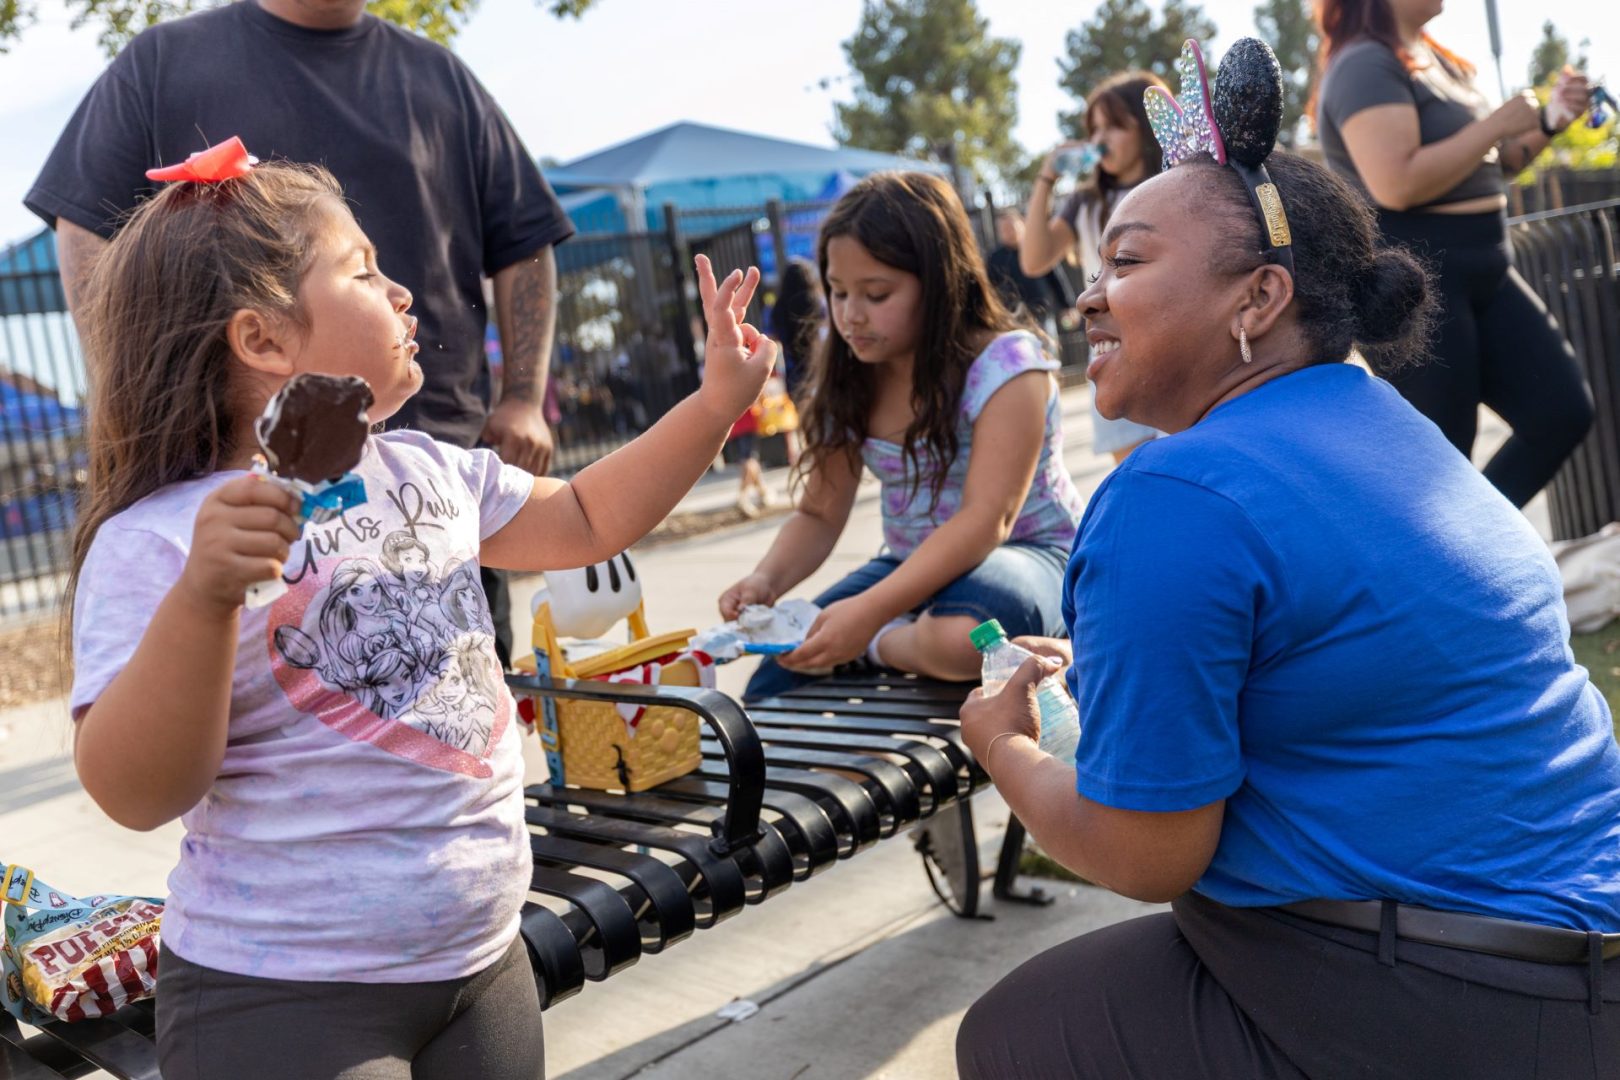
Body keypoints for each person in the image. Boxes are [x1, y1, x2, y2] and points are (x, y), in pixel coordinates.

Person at [954, 39, 1620, 1078]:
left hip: (1467, 995)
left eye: (1126, 262)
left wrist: (1004, 748)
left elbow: (1145, 852)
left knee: (1014, 1039)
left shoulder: (1171, 495)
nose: (1087, 297)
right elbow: (1348, 657)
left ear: (1257, 301)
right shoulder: (1384, 423)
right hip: (1578, 954)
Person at [64, 153, 775, 1079]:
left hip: (483, 965)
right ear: (264, 340)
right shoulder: (159, 542)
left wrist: (716, 403)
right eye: (362, 270)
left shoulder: (426, 471)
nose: (402, 292)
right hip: (286, 996)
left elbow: (589, 518)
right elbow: (135, 790)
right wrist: (203, 598)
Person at [25, 0, 574, 668]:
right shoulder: (161, 63)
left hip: (436, 477)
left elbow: (524, 239)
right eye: (363, 272)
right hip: (239, 505)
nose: (392, 292)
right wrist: (137, 390)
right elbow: (85, 228)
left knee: (457, 725)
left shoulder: (440, 77)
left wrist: (523, 396)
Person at [721, 172, 1086, 701]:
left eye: (876, 293)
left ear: (939, 282)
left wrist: (869, 621)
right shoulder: (850, 372)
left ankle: (883, 646)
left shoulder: (1008, 367)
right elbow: (820, 513)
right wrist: (766, 581)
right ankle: (891, 643)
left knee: (968, 640)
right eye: (839, 292)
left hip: (1031, 554)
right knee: (778, 679)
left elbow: (988, 521)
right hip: (912, 567)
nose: (851, 315)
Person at [1315, 0, 1594, 508]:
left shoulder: (1436, 60)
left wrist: (1549, 122)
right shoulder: (1364, 63)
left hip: (1487, 266)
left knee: (1561, 411)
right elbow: (1396, 183)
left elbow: (1490, 164)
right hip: (1423, 281)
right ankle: (1449, 565)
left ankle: (1478, 538)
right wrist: (1494, 124)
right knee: (1443, 460)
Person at [1021, 70, 1168, 463]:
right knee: (1140, 477)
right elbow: (1034, 259)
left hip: (1173, 341)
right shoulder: (1084, 203)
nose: (1100, 139)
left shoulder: (1178, 186)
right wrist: (1046, 178)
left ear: (1147, 126)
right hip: (1112, 350)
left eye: (1115, 126)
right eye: (1095, 128)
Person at [984, 209, 1070, 330]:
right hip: (1012, 318)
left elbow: (1055, 278)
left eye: (1011, 227)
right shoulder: (995, 259)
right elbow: (990, 289)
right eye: (1004, 229)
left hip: (1041, 313)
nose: (1009, 232)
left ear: (1022, 225)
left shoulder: (1036, 249)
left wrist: (1066, 305)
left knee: (1046, 347)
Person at [768, 256, 825, 401]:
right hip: (818, 362)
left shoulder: (778, 307)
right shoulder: (815, 302)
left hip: (792, 366)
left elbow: (773, 337)